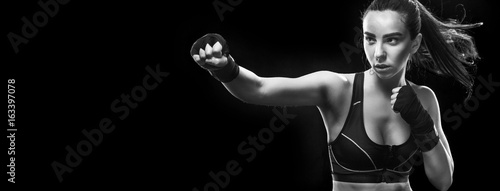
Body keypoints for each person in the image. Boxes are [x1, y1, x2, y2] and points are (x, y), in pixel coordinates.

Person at [190, 0, 481, 190]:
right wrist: (224, 67)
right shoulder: (337, 89)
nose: (377, 53)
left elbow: (443, 181)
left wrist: (421, 122)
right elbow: (259, 89)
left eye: (391, 40)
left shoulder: (424, 98)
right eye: (370, 39)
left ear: (414, 43)